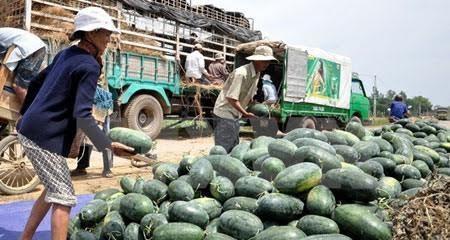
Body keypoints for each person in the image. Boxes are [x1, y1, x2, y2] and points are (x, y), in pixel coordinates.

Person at [16, 7, 133, 240]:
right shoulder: (88, 66)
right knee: (64, 197)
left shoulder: (66, 53)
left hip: (30, 129)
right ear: (90, 33)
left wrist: (26, 114)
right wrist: (107, 145)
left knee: (54, 188)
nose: (109, 38)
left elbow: (37, 81)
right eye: (105, 33)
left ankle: (25, 237)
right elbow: (83, 114)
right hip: (41, 137)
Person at [213, 45, 276, 152]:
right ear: (255, 60)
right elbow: (231, 98)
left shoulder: (257, 73)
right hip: (224, 113)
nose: (266, 64)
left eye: (268, 61)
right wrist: (246, 113)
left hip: (235, 114)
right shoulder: (241, 73)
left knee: (234, 148)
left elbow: (247, 93)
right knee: (224, 149)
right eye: (264, 61)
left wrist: (251, 102)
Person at [0, 27, 46, 104]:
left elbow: (3, 52)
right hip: (33, 46)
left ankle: (29, 114)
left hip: (31, 48)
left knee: (19, 87)